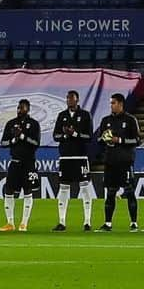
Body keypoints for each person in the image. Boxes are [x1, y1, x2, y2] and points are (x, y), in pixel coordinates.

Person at [96, 93, 141, 231]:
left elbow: (137, 140)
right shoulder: (106, 120)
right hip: (110, 161)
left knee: (129, 191)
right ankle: (108, 223)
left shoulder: (130, 120)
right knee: (110, 192)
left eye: (113, 103)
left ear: (121, 104)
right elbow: (98, 139)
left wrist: (119, 140)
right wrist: (104, 139)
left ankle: (134, 223)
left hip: (125, 161)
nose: (111, 105)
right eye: (110, 103)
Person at [52, 89, 95, 231]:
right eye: (67, 98)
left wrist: (74, 134)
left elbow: (89, 137)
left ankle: (87, 221)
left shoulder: (85, 115)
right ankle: (62, 221)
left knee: (84, 187)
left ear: (77, 100)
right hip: (65, 157)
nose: (69, 100)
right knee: (63, 187)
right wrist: (65, 136)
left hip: (80, 157)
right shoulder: (62, 115)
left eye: (71, 98)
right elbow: (55, 136)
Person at [0, 99, 41, 232]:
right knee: (9, 191)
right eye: (18, 107)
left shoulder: (34, 124)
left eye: (22, 107)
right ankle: (10, 223)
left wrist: (22, 136)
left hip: (29, 162)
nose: (19, 110)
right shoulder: (11, 123)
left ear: (28, 109)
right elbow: (3, 143)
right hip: (15, 161)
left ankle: (24, 223)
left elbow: (36, 143)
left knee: (28, 191)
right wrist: (14, 139)